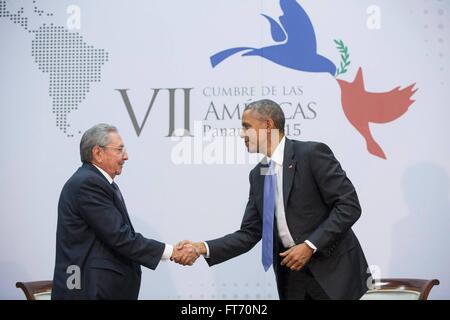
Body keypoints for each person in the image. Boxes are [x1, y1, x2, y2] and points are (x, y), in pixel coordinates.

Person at [180, 99, 370, 300]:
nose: (241, 134)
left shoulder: (311, 154)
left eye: (246, 126)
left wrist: (310, 245)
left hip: (334, 274)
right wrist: (201, 247)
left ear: (268, 125)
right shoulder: (257, 175)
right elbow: (249, 233)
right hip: (292, 279)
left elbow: (348, 206)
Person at [52, 124, 197, 300]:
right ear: (98, 153)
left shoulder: (97, 182)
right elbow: (120, 236)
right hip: (88, 291)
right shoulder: (88, 184)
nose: (126, 156)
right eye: (120, 150)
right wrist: (172, 251)